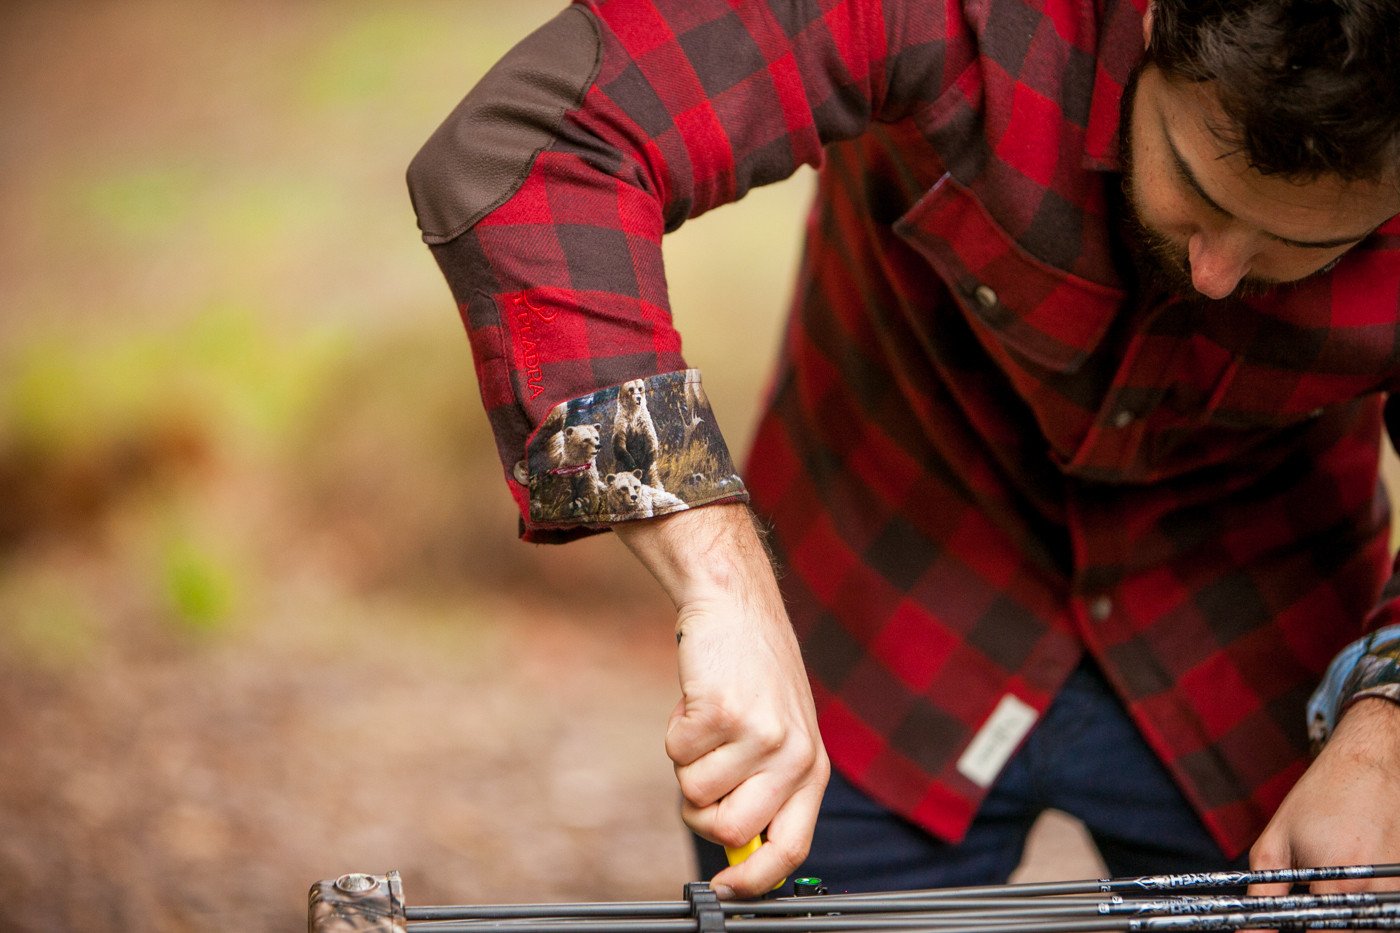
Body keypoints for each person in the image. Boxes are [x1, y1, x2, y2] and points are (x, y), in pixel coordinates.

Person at [406, 0, 1400, 901]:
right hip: (875, 610)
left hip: (1261, 657)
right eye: (1195, 186)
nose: (1218, 274)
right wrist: (720, 580)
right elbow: (541, 145)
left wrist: (1389, 725)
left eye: (1301, 245)